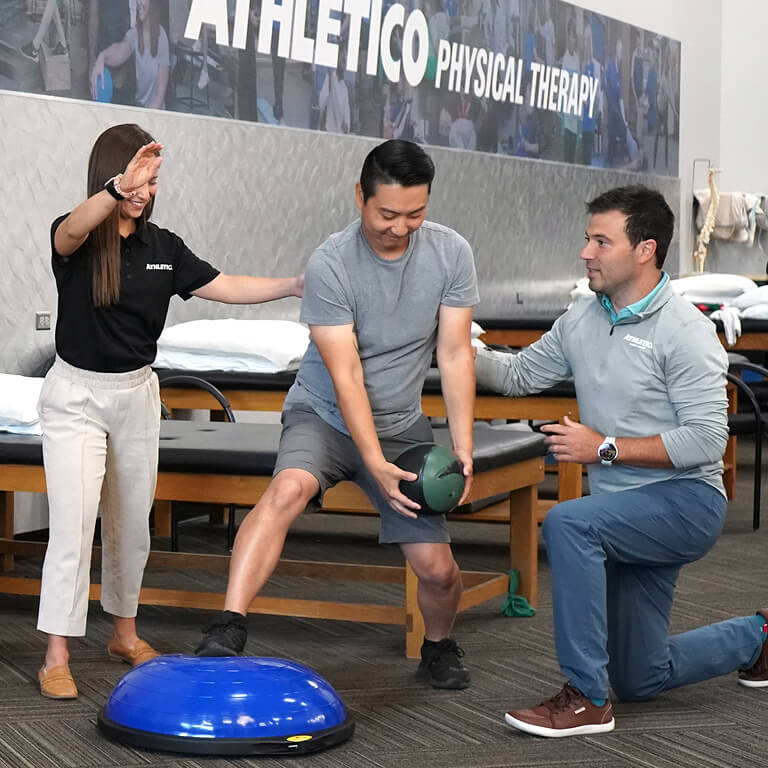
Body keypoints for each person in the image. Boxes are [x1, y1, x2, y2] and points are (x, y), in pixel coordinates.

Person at [474, 185, 768, 737]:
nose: (586, 252)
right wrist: (454, 346)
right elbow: (517, 376)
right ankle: (760, 637)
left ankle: (586, 698)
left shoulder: (685, 332)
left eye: (601, 241)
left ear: (644, 250)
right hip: (621, 511)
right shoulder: (584, 316)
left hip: (686, 503)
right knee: (640, 676)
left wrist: (602, 447)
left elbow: (708, 439)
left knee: (567, 522)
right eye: (588, 239)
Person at [195, 140, 479, 691]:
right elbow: (346, 372)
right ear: (360, 197)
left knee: (439, 571)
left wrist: (462, 448)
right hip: (323, 416)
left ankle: (438, 645)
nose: (400, 227)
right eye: (387, 214)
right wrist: (371, 461)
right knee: (288, 490)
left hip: (401, 426)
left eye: (415, 214)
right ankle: (227, 625)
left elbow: (454, 353)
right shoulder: (330, 262)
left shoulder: (451, 254)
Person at [36, 123, 304, 700]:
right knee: (74, 529)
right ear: (111, 175)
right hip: (76, 395)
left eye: (153, 181)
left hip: (136, 394)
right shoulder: (77, 238)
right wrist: (116, 188)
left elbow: (226, 284)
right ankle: (56, 652)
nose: (145, 190)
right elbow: (69, 231)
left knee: (133, 525)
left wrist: (297, 283)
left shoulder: (163, 248)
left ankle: (124, 634)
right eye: (138, 179)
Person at [90, 0, 170, 110]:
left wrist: (146, 118)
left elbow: (159, 97)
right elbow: (119, 51)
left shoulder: (162, 37)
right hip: (139, 106)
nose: (138, 2)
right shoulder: (135, 33)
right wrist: (102, 57)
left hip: (155, 112)